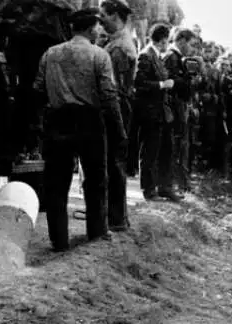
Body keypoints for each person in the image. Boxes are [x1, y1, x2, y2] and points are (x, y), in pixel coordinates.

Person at [34, 8, 126, 252]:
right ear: (90, 28)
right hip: (89, 121)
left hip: (57, 120)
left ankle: (59, 240)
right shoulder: (99, 55)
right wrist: (118, 131)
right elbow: (109, 96)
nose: (99, 30)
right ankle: (96, 232)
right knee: (96, 180)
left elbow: (38, 89)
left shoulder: (50, 53)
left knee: (56, 183)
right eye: (97, 26)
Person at [99, 0, 135, 232]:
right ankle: (117, 216)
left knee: (113, 161)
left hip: (116, 106)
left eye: (103, 16)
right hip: (119, 105)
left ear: (115, 17)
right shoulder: (117, 42)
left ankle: (116, 218)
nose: (100, 21)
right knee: (114, 160)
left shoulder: (119, 47)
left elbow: (115, 86)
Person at [133, 23, 174, 201]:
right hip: (149, 112)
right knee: (149, 153)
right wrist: (162, 85)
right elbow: (139, 84)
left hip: (156, 112)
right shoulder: (146, 56)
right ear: (163, 40)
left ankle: (152, 189)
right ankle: (148, 190)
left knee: (153, 151)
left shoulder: (154, 55)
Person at [160, 28, 198, 199]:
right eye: (191, 44)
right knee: (170, 148)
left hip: (178, 108)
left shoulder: (177, 58)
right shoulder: (171, 57)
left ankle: (170, 184)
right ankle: (166, 186)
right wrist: (186, 81)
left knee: (175, 148)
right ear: (181, 40)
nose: (192, 49)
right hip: (171, 108)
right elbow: (167, 83)